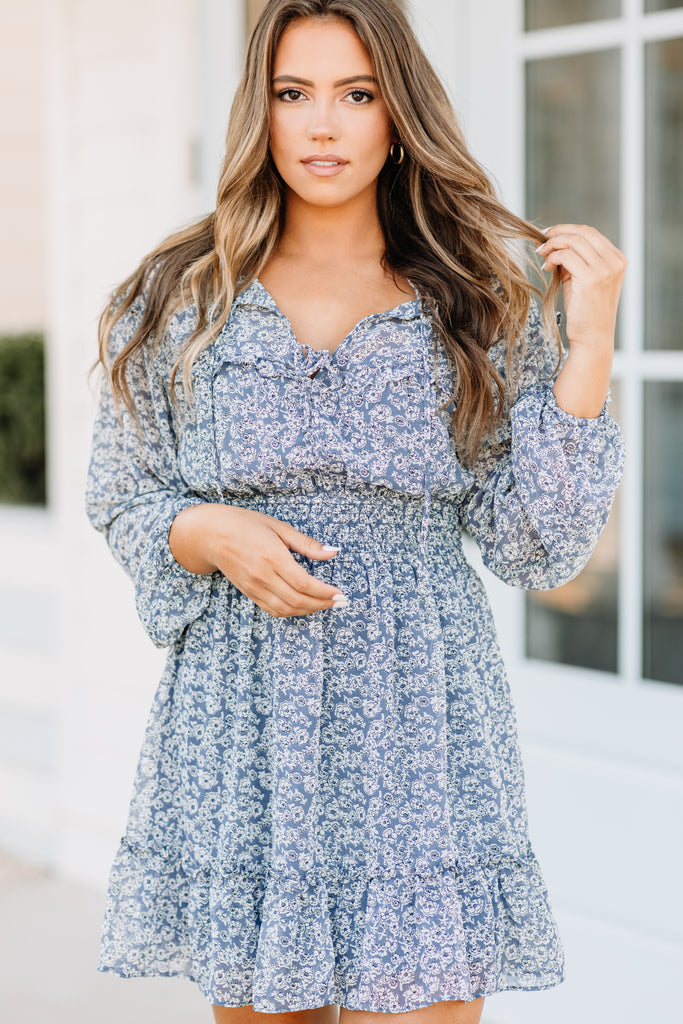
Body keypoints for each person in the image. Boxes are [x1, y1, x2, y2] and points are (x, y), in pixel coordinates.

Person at [85, 1, 627, 1022]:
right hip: (243, 726)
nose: (321, 125)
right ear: (261, 110)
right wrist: (201, 532)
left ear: (396, 113)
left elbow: (535, 543)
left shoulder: (476, 296)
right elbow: (121, 490)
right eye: (293, 94)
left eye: (355, 93)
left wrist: (587, 347)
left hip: (419, 719)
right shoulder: (175, 296)